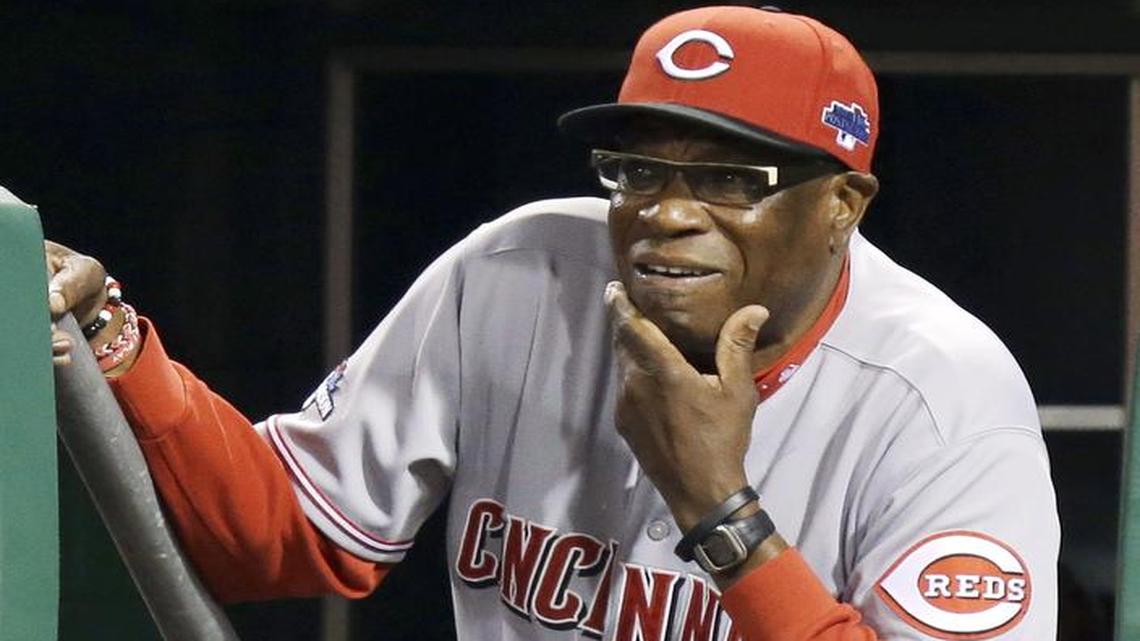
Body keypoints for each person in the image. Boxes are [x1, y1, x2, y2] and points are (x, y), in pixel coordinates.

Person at [47, 6, 1059, 640]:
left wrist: (718, 507)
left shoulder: (939, 392)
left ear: (843, 204)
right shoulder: (517, 271)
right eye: (637, 170)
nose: (665, 209)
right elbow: (282, 536)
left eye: (728, 178)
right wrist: (113, 340)